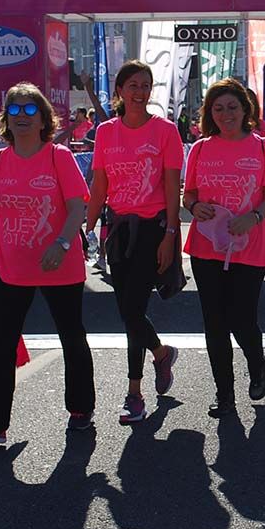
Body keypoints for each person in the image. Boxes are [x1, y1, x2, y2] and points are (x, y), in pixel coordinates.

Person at [0, 82, 94, 443]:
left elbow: (78, 207)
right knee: (2, 344)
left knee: (72, 338)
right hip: (11, 267)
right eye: (15, 110)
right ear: (6, 118)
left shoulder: (58, 157)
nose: (22, 116)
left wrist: (62, 243)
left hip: (59, 265)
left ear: (43, 119)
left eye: (30, 110)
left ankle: (81, 408)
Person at [85, 60, 182, 425]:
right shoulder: (106, 132)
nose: (141, 92)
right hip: (118, 230)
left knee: (130, 311)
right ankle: (160, 352)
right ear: (120, 91)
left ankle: (134, 393)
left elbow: (173, 187)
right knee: (128, 310)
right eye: (134, 86)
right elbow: (100, 185)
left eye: (146, 85)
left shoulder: (165, 132)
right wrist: (88, 225)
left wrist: (171, 235)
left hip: (153, 229)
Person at [182, 78, 265, 418]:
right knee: (213, 321)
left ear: (245, 111)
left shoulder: (263, 148)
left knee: (241, 319)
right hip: (206, 246)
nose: (226, 114)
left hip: (248, 247)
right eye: (218, 108)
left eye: (232, 107)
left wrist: (253, 217)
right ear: (210, 113)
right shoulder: (199, 148)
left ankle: (257, 364)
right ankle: (224, 394)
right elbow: (189, 195)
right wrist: (195, 208)